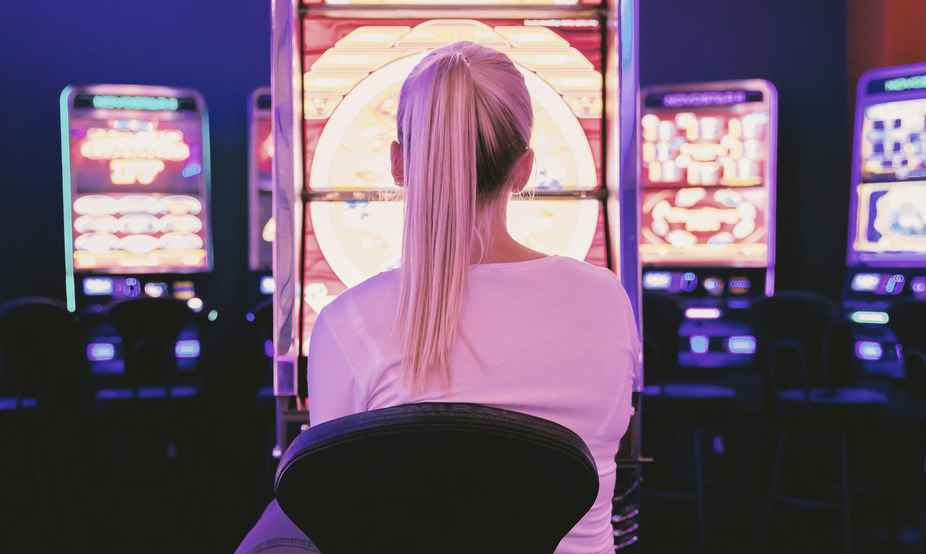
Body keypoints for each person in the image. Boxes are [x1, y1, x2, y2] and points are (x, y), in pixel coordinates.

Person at [236, 40, 637, 554]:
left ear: (398, 163)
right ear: (524, 169)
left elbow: (334, 505)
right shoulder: (605, 299)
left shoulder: (345, 321)